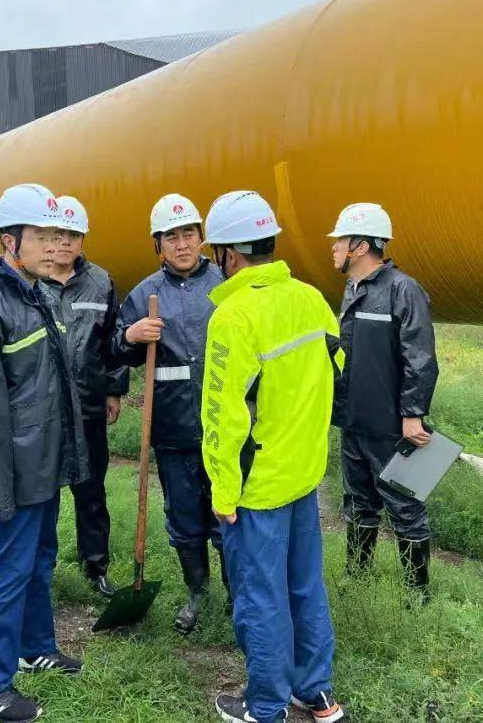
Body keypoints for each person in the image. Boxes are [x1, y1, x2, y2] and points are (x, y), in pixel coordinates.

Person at [201, 191, 346, 723]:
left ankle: (265, 706)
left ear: (228, 255)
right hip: (304, 474)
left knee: (261, 596)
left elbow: (222, 416)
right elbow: (335, 374)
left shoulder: (234, 316)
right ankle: (316, 693)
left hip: (257, 486)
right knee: (305, 585)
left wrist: (223, 491)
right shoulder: (311, 299)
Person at [0, 183, 89, 722]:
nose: (54, 246)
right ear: (9, 241)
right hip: (14, 472)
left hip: (43, 464)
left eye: (57, 235)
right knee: (4, 572)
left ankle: (35, 647)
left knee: (40, 559)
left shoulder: (37, 294)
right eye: (41, 236)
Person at [112, 193, 226, 635]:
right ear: (157, 244)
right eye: (171, 237)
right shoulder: (145, 294)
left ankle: (238, 594)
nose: (182, 244)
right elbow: (115, 351)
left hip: (224, 427)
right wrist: (131, 336)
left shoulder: (226, 284)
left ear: (201, 237)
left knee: (228, 514)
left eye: (189, 234)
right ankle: (198, 593)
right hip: (172, 429)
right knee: (184, 517)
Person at [328, 203, 439, 602]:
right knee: (359, 502)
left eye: (340, 240)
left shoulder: (402, 289)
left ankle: (417, 592)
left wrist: (413, 414)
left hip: (391, 423)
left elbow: (420, 357)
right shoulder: (354, 288)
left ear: (359, 246)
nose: (334, 247)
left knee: (404, 503)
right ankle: (357, 576)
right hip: (355, 419)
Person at [44, 194, 129, 597]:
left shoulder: (100, 281)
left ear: (83, 240)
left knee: (92, 489)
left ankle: (96, 566)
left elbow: (113, 338)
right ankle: (39, 566)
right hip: (43, 408)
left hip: (89, 404)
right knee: (41, 491)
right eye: (58, 234)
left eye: (73, 235)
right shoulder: (32, 280)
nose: (65, 242)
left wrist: (113, 389)